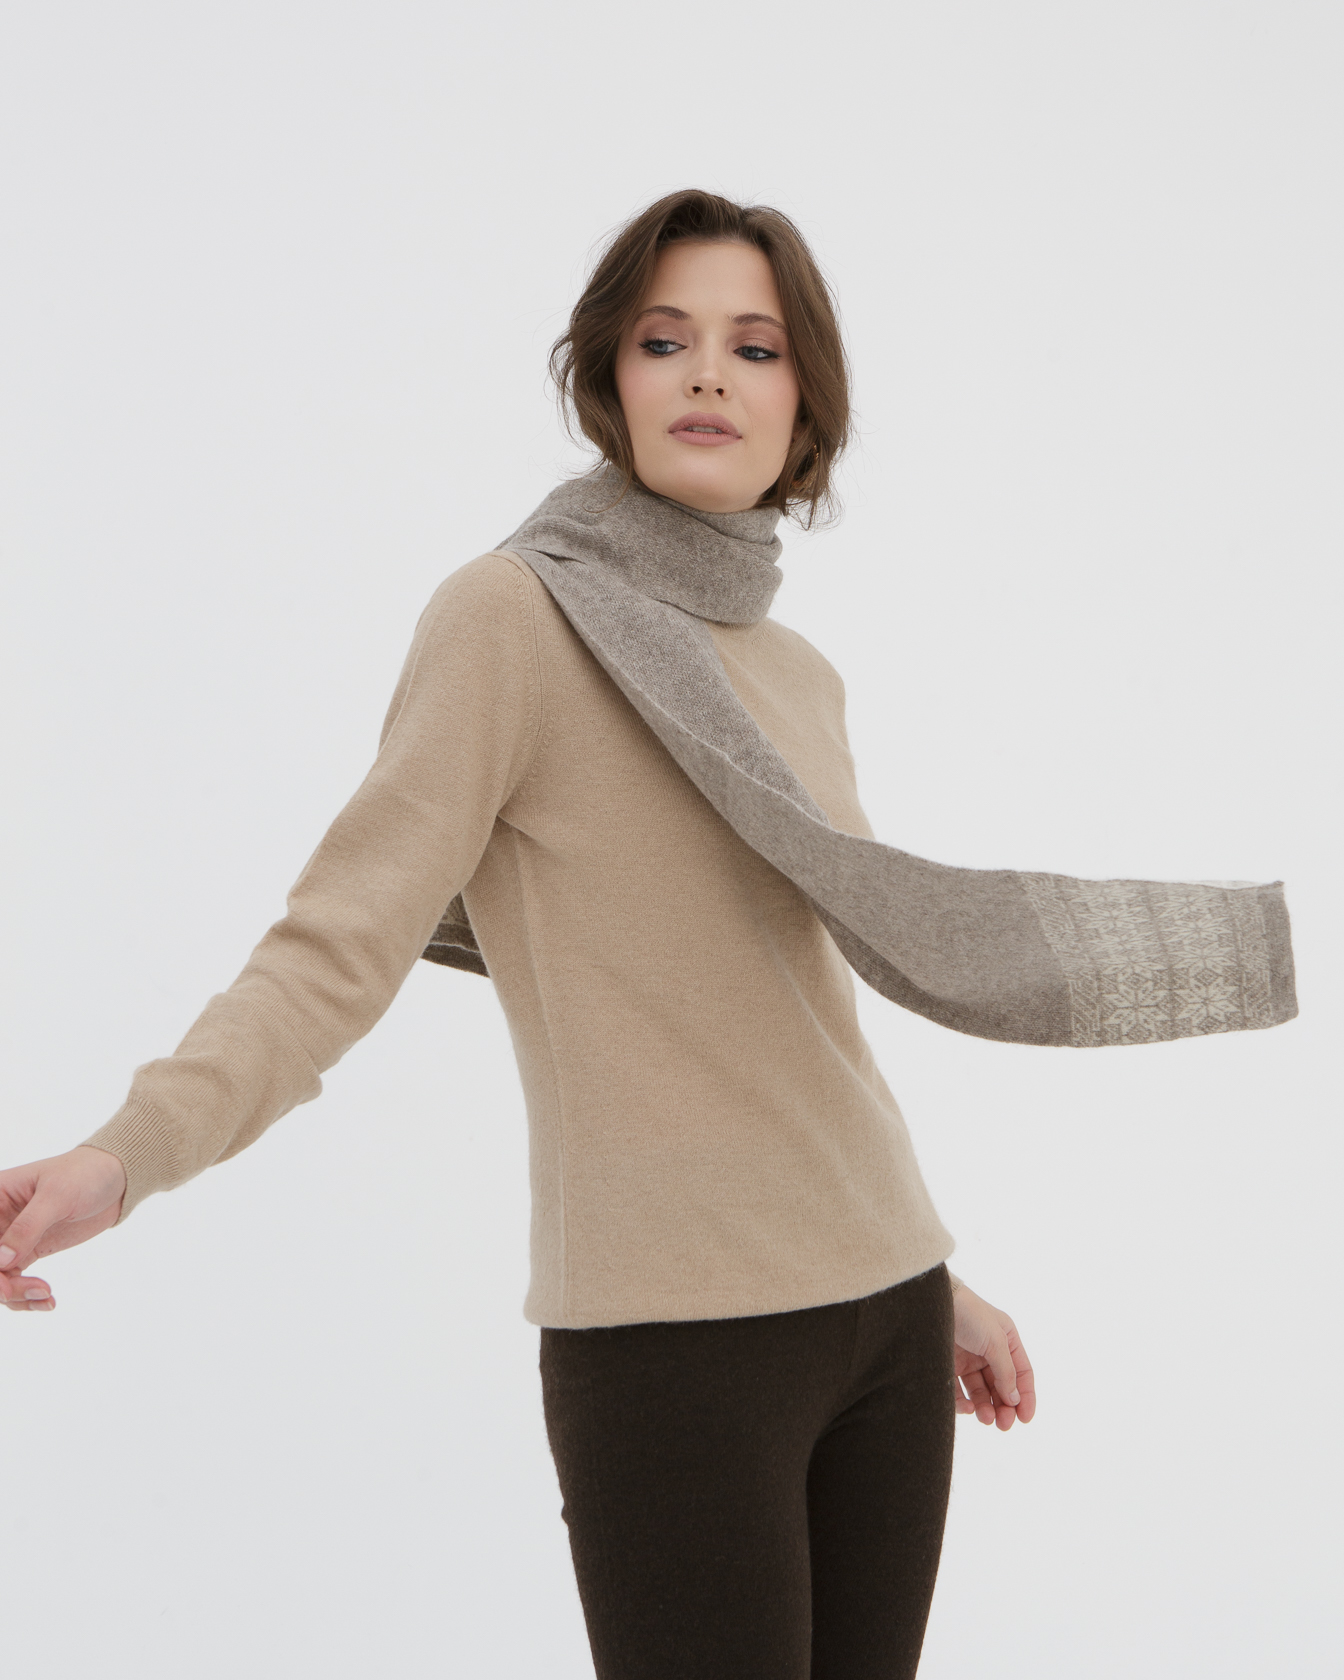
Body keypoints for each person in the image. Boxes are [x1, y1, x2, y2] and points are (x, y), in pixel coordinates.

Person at [9, 183, 1278, 1679]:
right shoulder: (512, 618)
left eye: (756, 346)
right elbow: (334, 948)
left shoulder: (796, 672)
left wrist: (935, 1276)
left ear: (805, 402)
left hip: (884, 1313)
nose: (707, 375)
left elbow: (796, 1012)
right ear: (610, 377)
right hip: (673, 1350)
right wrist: (125, 1155)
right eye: (666, 339)